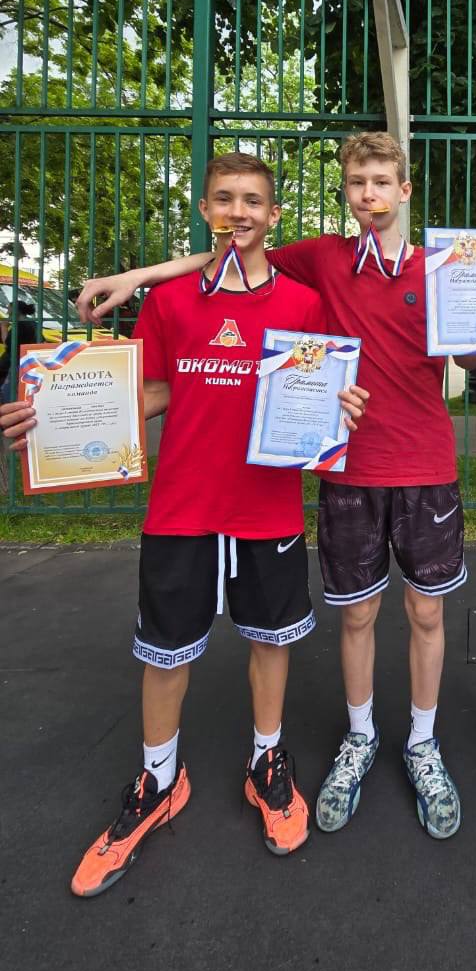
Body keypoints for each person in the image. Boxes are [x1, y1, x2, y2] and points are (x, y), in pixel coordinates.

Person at [72, 131, 476, 840]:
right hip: (346, 466)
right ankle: (359, 737)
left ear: (404, 190)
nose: (370, 194)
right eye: (358, 183)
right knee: (357, 617)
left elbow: (469, 357)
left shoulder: (443, 267)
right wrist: (140, 277)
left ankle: (422, 742)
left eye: (382, 181)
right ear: (346, 192)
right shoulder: (322, 259)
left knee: (428, 615)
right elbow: (230, 250)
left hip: (425, 463)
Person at [0, 153, 368, 895]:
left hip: (265, 506)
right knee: (165, 652)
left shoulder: (302, 303)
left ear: (273, 214)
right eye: (225, 199)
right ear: (205, 210)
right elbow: (154, 392)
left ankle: (267, 761)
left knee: (271, 641)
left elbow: (319, 388)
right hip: (183, 505)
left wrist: (342, 407)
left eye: (253, 201)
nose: (239, 212)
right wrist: (53, 421)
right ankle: (160, 778)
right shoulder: (170, 304)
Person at [0, 299, 38, 401]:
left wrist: (4, 327)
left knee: (8, 392)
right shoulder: (33, 323)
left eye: (9, 310)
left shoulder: (20, 326)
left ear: (16, 311)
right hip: (28, 362)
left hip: (16, 362)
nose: (7, 312)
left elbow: (8, 344)